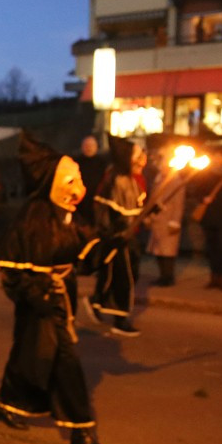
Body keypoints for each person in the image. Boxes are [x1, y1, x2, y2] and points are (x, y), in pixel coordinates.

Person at [0, 131, 108, 444]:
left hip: (61, 296)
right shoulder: (31, 219)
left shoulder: (71, 216)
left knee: (29, 354)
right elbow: (12, 270)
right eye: (69, 182)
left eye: (78, 181)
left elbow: (85, 252)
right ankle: (82, 431)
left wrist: (114, 242)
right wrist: (34, 294)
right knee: (64, 359)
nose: (77, 190)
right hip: (39, 300)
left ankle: (5, 405)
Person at [89, 137, 145, 337]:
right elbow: (104, 210)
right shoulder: (116, 179)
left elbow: (136, 209)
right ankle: (120, 320)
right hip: (118, 238)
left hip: (126, 238)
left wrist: (152, 210)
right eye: (137, 157)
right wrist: (113, 232)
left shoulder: (129, 178)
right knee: (124, 277)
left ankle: (96, 303)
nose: (141, 161)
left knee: (116, 275)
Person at [192, 148, 222, 290]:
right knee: (211, 247)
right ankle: (214, 277)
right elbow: (197, 190)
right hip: (209, 216)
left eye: (217, 155)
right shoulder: (207, 173)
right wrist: (203, 198)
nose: (215, 158)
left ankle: (221, 276)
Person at [145, 146, 187, 287]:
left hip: (168, 219)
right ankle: (162, 275)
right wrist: (148, 215)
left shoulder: (176, 182)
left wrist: (175, 221)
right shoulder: (158, 180)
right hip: (157, 219)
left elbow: (179, 203)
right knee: (158, 249)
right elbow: (152, 198)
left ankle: (168, 276)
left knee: (167, 250)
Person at [75, 134, 107, 229]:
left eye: (91, 146)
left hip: (97, 202)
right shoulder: (76, 163)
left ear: (96, 147)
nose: (88, 148)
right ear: (82, 147)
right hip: (81, 203)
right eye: (86, 146)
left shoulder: (102, 163)